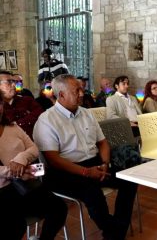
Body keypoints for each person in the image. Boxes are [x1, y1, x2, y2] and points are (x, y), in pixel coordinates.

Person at [33, 74, 137, 240]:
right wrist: (86, 172)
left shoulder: (86, 113)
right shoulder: (47, 120)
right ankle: (115, 232)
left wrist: (105, 163)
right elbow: (53, 160)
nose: (82, 93)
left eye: (81, 89)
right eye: (77, 90)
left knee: (129, 180)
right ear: (61, 95)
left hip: (94, 163)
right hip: (63, 171)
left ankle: (116, 231)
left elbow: (102, 142)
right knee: (93, 192)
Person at [0, 90, 67, 240]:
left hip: (23, 184)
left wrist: (21, 159)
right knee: (15, 225)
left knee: (59, 208)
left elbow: (34, 148)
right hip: (3, 190)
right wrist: (16, 171)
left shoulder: (12, 127)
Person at [0, 70, 43, 139]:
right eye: (9, 82)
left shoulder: (27, 100)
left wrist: (17, 123)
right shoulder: (1, 108)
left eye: (13, 82)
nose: (14, 85)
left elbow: (40, 113)